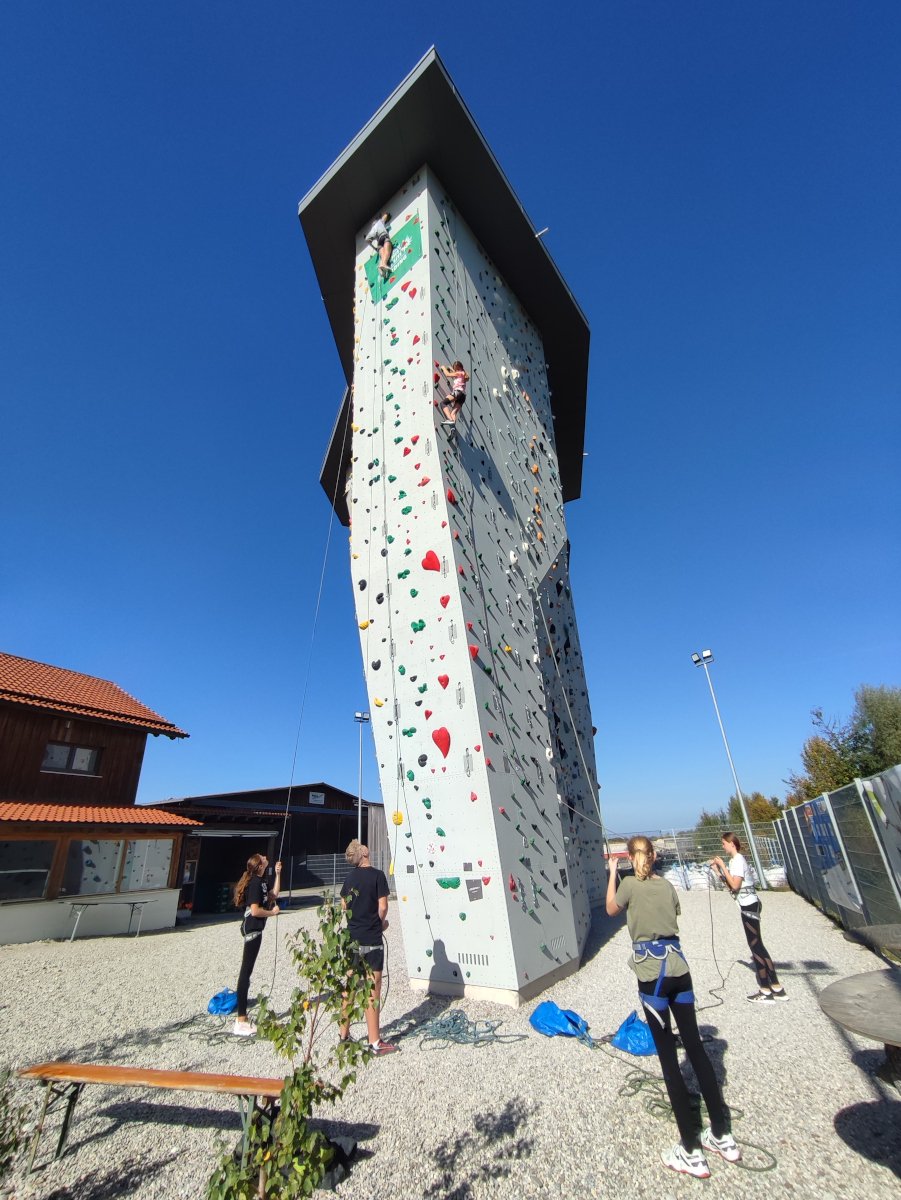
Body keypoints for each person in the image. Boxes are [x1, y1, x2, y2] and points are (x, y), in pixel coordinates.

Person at [607, 836, 741, 1178]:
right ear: (653, 856)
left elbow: (610, 909)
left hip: (652, 976)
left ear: (630, 858)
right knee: (695, 1048)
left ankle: (691, 1151)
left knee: (669, 1059)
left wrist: (612, 874)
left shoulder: (628, 886)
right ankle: (722, 1135)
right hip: (680, 970)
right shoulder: (666, 885)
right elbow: (672, 915)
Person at [711, 833, 787, 1003]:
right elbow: (731, 886)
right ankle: (776, 987)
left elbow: (735, 885)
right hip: (746, 904)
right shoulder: (735, 861)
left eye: (724, 843)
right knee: (758, 945)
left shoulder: (738, 860)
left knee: (756, 947)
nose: (723, 846)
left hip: (749, 905)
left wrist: (722, 866)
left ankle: (766, 990)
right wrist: (718, 871)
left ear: (732, 844)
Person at [339, 840, 396, 1055]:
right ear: (363, 853)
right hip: (372, 938)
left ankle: (343, 1036)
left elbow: (344, 904)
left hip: (353, 938)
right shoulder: (377, 876)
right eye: (363, 845)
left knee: (350, 987)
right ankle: (374, 1042)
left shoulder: (349, 878)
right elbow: (383, 906)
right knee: (373, 988)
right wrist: (380, 924)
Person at [232, 853, 281, 1036]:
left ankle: (242, 1018)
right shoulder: (254, 883)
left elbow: (273, 895)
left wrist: (278, 874)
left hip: (256, 931)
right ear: (260, 865)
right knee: (245, 972)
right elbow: (255, 911)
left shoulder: (261, 881)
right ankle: (241, 1020)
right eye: (262, 857)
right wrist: (272, 913)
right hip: (252, 929)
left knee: (247, 971)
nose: (265, 856)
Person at [366, 212, 393, 279]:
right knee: (387, 252)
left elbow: (367, 240)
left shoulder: (372, 230)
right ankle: (384, 264)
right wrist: (386, 214)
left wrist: (374, 247)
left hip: (379, 243)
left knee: (383, 255)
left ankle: (381, 265)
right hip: (384, 236)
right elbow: (386, 215)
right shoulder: (380, 222)